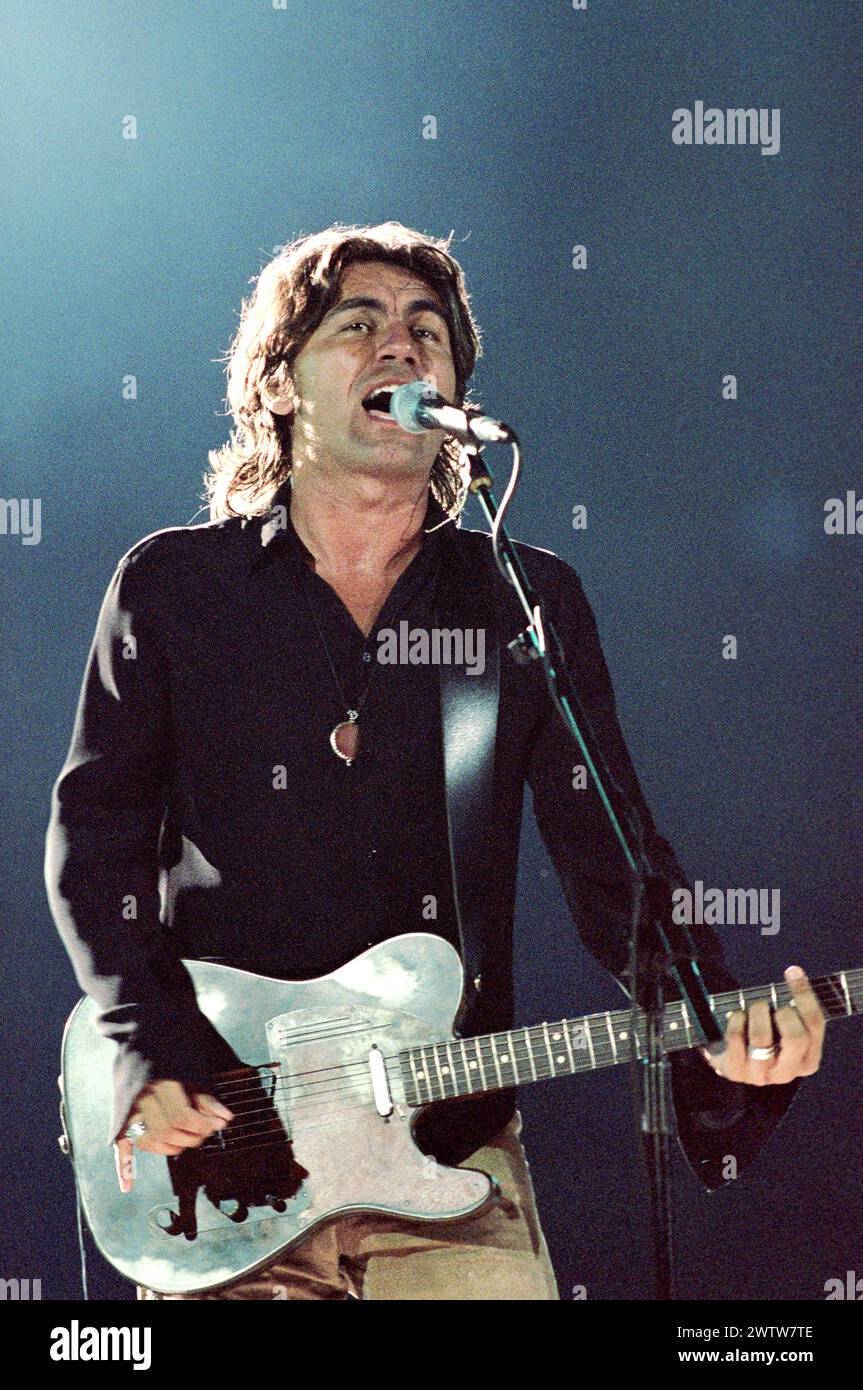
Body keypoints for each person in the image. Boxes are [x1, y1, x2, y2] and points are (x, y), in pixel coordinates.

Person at [45, 221, 825, 1301]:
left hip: (448, 1144)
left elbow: (619, 868)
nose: (401, 351)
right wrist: (145, 1042)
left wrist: (711, 1036)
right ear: (277, 385)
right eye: (355, 327)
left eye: (427, 333)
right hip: (226, 1148)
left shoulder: (518, 598)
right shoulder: (175, 588)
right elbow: (96, 843)